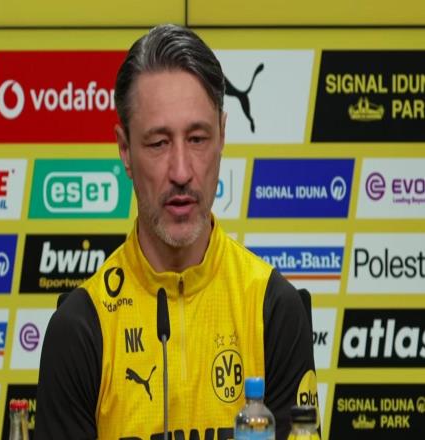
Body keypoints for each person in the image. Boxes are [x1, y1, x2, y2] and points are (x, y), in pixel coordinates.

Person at [35, 24, 318, 440]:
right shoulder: (80, 328)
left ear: (222, 136)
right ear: (124, 150)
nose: (182, 171)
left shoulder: (273, 309)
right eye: (159, 143)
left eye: (198, 138)